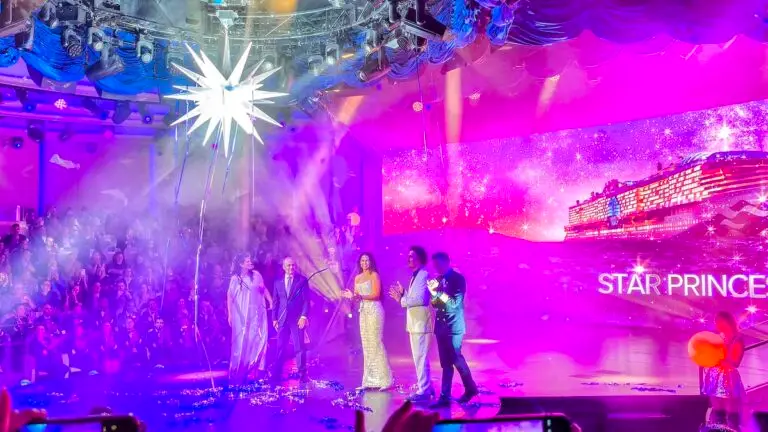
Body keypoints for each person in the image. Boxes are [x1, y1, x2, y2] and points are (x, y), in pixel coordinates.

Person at [427, 252, 478, 407]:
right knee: (445, 363)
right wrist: (433, 294)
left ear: (447, 262)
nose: (436, 267)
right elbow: (436, 305)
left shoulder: (458, 279)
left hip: (454, 326)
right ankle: (445, 397)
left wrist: (438, 293)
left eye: (439, 264)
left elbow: (455, 303)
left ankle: (470, 388)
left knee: (456, 359)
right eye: (435, 264)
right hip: (441, 327)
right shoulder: (437, 279)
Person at [389, 246, 434, 401]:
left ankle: (424, 390)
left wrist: (401, 300)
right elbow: (414, 298)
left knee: (420, 357)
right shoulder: (416, 276)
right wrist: (403, 294)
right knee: (419, 357)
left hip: (421, 323)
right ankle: (427, 387)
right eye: (408, 256)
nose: (408, 259)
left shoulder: (424, 275)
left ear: (420, 258)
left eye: (411, 256)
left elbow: (422, 300)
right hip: (415, 323)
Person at [343, 252, 393, 391]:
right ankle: (369, 380)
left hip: (375, 310)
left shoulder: (374, 275)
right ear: (359, 263)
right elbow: (356, 298)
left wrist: (358, 296)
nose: (364, 263)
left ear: (371, 262)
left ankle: (385, 379)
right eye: (362, 260)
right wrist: (351, 296)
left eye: (367, 260)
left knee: (376, 342)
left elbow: (376, 295)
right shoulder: (357, 278)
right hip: (363, 311)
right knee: (366, 344)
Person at [227, 253, 273, 383]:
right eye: (247, 261)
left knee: (257, 338)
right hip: (240, 314)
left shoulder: (257, 275)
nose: (250, 262)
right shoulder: (235, 279)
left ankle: (255, 368)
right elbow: (230, 296)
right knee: (242, 340)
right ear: (241, 264)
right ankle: (239, 369)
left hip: (256, 312)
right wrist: (230, 314)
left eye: (249, 260)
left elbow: (263, 289)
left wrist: (270, 301)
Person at [701, 311, 745, 429]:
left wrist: (720, 359)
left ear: (727, 322)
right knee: (718, 412)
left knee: (731, 414)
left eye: (719, 321)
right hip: (714, 376)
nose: (716, 324)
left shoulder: (737, 339)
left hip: (728, 378)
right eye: (716, 321)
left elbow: (735, 362)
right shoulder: (717, 337)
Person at [271, 256, 310, 383]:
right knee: (280, 347)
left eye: (293, 265)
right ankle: (276, 374)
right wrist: (274, 318)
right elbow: (275, 302)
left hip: (297, 319)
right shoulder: (278, 282)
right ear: (284, 267)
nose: (291, 267)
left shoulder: (302, 281)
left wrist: (304, 316)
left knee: (299, 347)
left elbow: (306, 301)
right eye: (288, 265)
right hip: (282, 320)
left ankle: (302, 374)